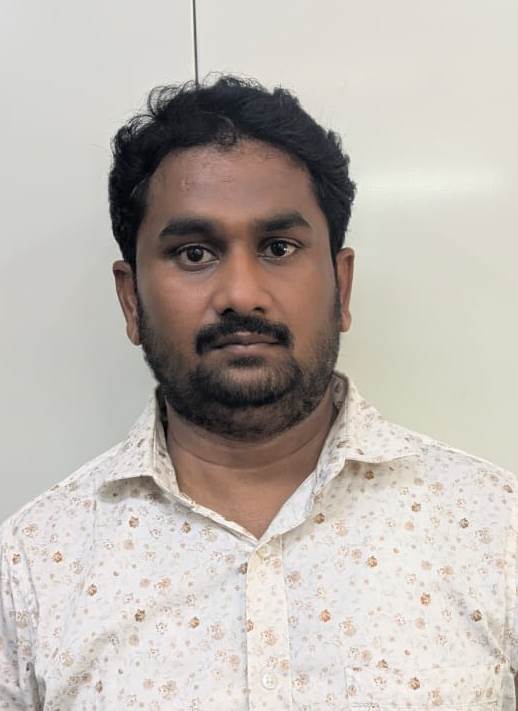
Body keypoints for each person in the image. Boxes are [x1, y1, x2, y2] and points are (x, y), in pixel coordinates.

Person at [0, 76, 516, 711]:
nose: (241, 294)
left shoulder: (496, 529)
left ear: (342, 286)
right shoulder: (31, 568)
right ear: (131, 300)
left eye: (278, 247)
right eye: (194, 253)